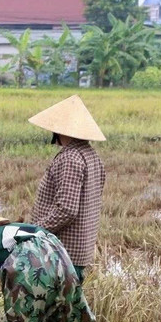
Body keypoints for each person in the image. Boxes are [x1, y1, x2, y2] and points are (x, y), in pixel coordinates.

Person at [28, 95, 106, 284]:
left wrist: (35, 231)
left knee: (53, 309)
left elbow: (67, 209)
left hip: (60, 253)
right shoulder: (91, 156)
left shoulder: (70, 158)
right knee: (68, 308)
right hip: (76, 251)